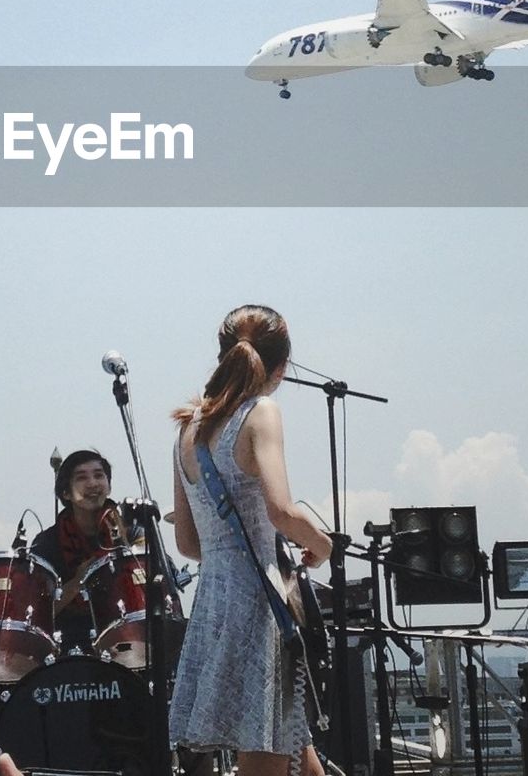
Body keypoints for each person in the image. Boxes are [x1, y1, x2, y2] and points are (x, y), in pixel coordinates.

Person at [169, 305, 333, 776]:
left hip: (214, 602)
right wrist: (323, 547)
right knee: (264, 756)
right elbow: (283, 512)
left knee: (293, 747)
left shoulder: (188, 428)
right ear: (280, 367)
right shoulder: (261, 412)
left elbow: (187, 542)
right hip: (261, 604)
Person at [30, 447, 138, 653]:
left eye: (99, 475)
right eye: (81, 478)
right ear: (65, 493)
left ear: (109, 485)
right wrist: (79, 580)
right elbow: (36, 612)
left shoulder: (131, 530)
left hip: (128, 637)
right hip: (69, 643)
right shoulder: (47, 543)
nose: (93, 484)